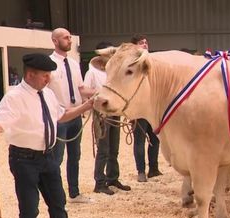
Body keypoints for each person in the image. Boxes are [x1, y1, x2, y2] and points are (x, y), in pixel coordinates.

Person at [0, 53, 94, 218]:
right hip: (24, 159)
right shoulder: (14, 97)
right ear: (30, 75)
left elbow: (61, 115)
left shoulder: (48, 93)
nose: (49, 79)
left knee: (58, 203)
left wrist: (87, 106)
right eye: (45, 75)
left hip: (49, 157)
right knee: (30, 208)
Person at [48, 28, 96, 203]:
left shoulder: (74, 64)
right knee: (57, 157)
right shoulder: (49, 64)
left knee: (75, 156)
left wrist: (99, 93)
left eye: (70, 37)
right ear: (55, 41)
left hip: (76, 114)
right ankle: (54, 194)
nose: (69, 40)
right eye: (66, 38)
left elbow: (82, 89)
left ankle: (74, 193)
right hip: (59, 118)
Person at [84, 41, 131, 195]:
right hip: (101, 113)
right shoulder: (92, 72)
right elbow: (84, 90)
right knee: (103, 149)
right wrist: (100, 95)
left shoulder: (114, 72)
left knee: (114, 149)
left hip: (115, 112)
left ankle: (113, 178)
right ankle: (99, 182)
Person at [130, 34, 162, 182]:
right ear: (135, 46)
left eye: (146, 42)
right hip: (138, 108)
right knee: (139, 140)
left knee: (155, 139)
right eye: (141, 42)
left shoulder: (153, 61)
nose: (145, 44)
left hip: (153, 107)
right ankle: (141, 171)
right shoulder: (131, 63)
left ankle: (154, 169)